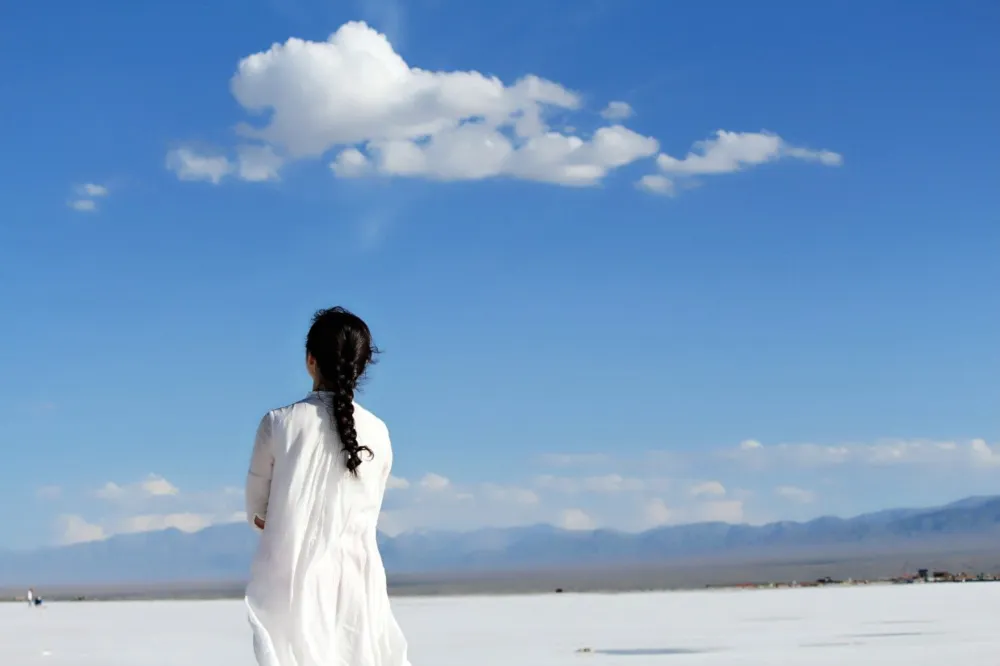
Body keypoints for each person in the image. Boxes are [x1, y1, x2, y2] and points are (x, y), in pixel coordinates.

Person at [244, 307, 411, 666]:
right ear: (361, 367)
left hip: (294, 587)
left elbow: (258, 513)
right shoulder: (379, 432)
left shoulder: (278, 424)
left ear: (310, 360)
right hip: (359, 587)